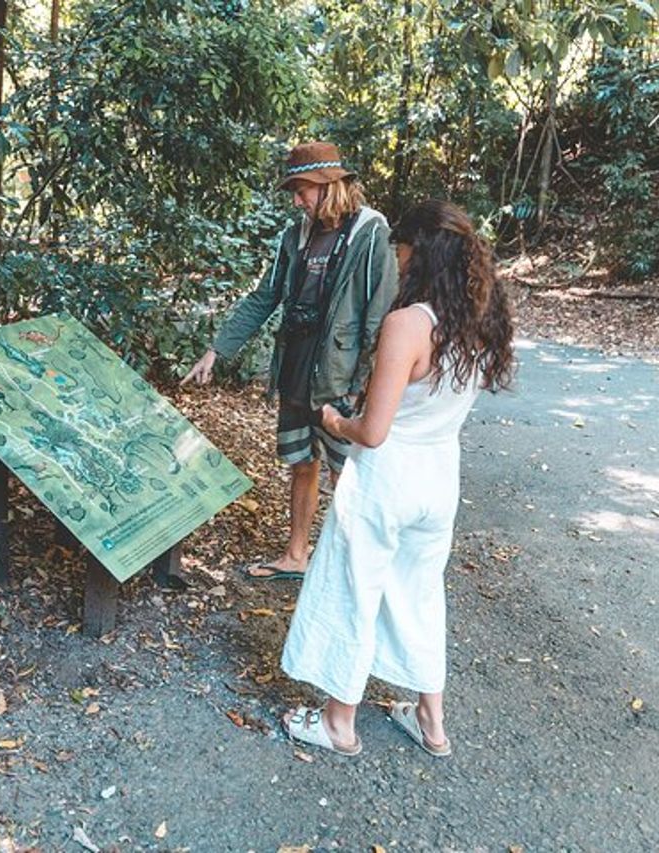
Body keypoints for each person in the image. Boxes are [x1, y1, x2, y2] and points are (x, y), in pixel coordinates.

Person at [278, 200, 516, 757]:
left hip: (388, 479)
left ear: (421, 254)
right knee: (420, 594)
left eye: (402, 251)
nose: (399, 263)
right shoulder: (480, 322)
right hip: (439, 477)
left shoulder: (408, 324)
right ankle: (432, 725)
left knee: (354, 588)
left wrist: (335, 419)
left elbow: (375, 430)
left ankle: (340, 723)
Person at [181, 141, 398, 580]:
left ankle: (355, 568)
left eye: (302, 190)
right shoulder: (296, 234)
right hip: (297, 362)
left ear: (329, 186)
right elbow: (266, 296)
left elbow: (380, 311)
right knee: (303, 462)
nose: (297, 200)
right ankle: (296, 556)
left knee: (347, 472)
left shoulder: (371, 230)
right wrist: (216, 349)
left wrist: (364, 382)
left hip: (340, 375)